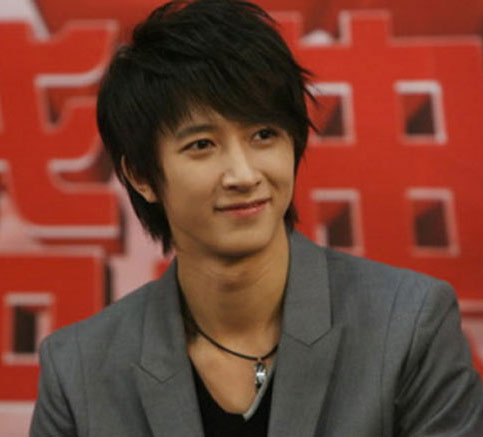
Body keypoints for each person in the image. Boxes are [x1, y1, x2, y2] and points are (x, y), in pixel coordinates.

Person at [30, 0, 483, 436]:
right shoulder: (78, 369)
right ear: (142, 176)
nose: (243, 175)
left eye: (263, 135)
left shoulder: (409, 324)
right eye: (202, 145)